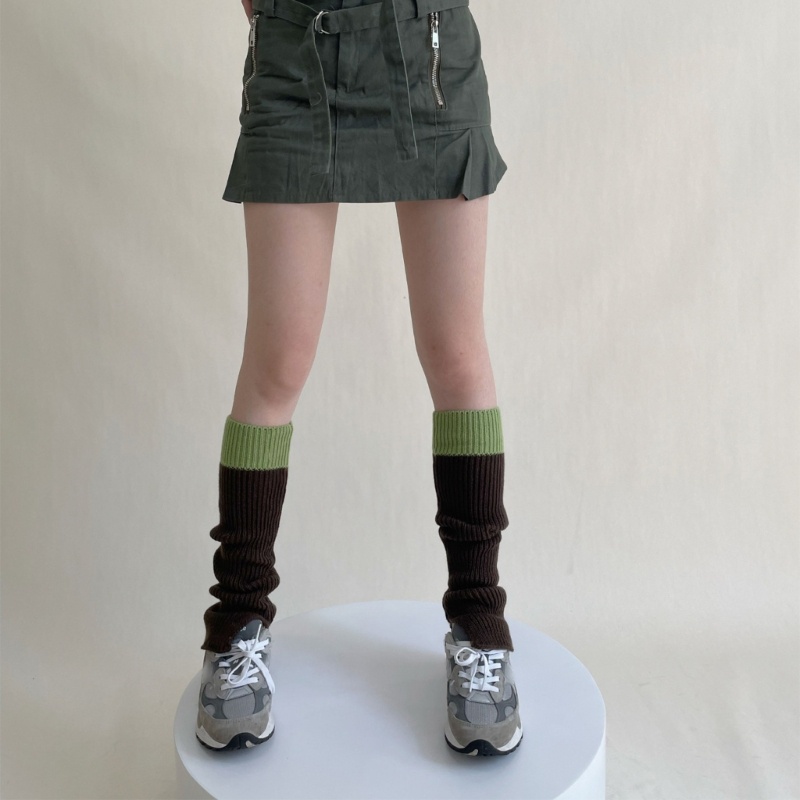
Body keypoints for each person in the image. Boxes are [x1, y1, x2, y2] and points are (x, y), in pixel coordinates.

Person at [195, 0, 523, 757]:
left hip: (427, 53)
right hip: (295, 56)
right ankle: (236, 623)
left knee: (456, 355)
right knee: (277, 360)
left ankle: (480, 622)